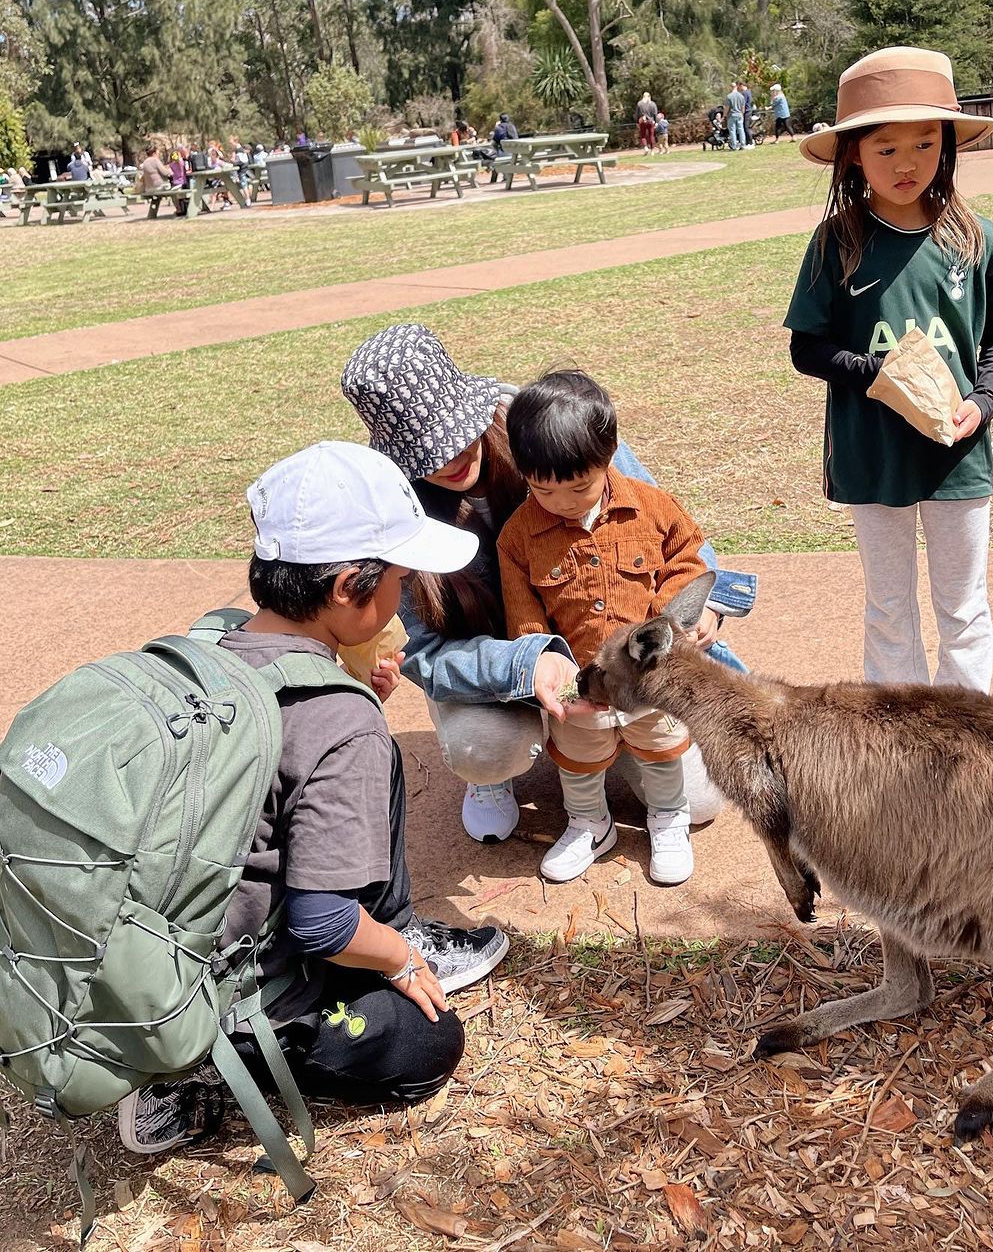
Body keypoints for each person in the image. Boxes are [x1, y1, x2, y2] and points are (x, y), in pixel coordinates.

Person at [118, 441, 509, 1155]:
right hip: (240, 984)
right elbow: (323, 924)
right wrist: (397, 958)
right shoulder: (339, 719)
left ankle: (163, 1048)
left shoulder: (213, 647)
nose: (407, 592)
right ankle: (211, 1061)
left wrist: (355, 696)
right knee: (427, 1042)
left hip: (147, 954)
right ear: (347, 587)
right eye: (399, 575)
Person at [340, 323, 756, 847]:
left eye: (456, 434)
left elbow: (664, 524)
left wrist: (704, 607)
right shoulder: (396, 512)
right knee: (485, 747)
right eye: (428, 451)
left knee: (699, 803)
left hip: (610, 650)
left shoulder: (546, 423)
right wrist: (524, 664)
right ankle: (505, 774)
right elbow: (423, 652)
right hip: (496, 663)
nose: (450, 459)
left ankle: (617, 741)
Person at [784, 46, 993, 694]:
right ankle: (901, 745)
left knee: (963, 608)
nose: (906, 162)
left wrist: (985, 400)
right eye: (885, 148)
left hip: (959, 455)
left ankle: (967, 741)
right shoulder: (837, 240)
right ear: (853, 153)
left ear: (947, 145)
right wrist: (875, 372)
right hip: (874, 454)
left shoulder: (975, 237)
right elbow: (806, 346)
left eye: (924, 142)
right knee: (890, 609)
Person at [499, 372, 706, 885]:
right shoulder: (519, 534)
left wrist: (664, 626)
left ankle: (668, 817)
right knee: (577, 758)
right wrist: (547, 663)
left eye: (578, 486)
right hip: (580, 681)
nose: (564, 502)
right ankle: (589, 824)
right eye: (544, 489)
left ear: (609, 453)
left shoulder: (654, 507)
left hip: (647, 678)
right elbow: (524, 614)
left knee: (662, 748)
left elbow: (688, 560)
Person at [724, 81, 746, 151]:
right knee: (741, 129)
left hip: (732, 115)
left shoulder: (729, 96)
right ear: (736, 87)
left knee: (732, 130)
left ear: (731, 87)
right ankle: (742, 144)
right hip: (739, 114)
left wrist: (724, 115)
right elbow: (743, 107)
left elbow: (727, 107)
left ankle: (734, 146)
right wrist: (742, 114)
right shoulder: (741, 96)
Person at [737, 81, 756, 150]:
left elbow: (743, 104)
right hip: (748, 111)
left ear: (741, 85)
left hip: (746, 112)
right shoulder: (748, 92)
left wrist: (741, 112)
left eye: (739, 87)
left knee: (746, 127)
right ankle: (748, 142)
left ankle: (750, 142)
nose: (738, 88)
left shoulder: (745, 93)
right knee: (745, 127)